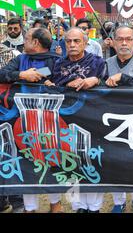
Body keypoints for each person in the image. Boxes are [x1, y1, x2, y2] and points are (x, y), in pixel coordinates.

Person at [0, 28, 62, 213]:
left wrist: (40, 74)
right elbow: (2, 74)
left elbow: (58, 76)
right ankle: (30, 207)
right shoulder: (20, 59)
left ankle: (55, 204)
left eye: (26, 39)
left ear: (35, 42)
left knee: (52, 161)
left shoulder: (57, 60)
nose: (23, 42)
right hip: (21, 122)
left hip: (51, 121)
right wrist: (21, 75)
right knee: (26, 161)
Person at [46, 27, 105, 213]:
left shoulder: (98, 62)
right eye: (68, 41)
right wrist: (65, 84)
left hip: (93, 121)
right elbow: (50, 85)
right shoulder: (57, 64)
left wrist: (94, 80)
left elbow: (109, 83)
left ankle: (94, 207)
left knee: (93, 163)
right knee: (70, 165)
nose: (72, 45)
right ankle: (77, 206)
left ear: (86, 43)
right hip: (65, 123)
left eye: (76, 41)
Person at [104, 26, 133, 213]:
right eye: (120, 39)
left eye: (128, 39)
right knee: (115, 162)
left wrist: (123, 78)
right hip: (111, 121)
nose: (124, 43)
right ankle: (119, 201)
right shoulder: (105, 64)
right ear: (113, 42)